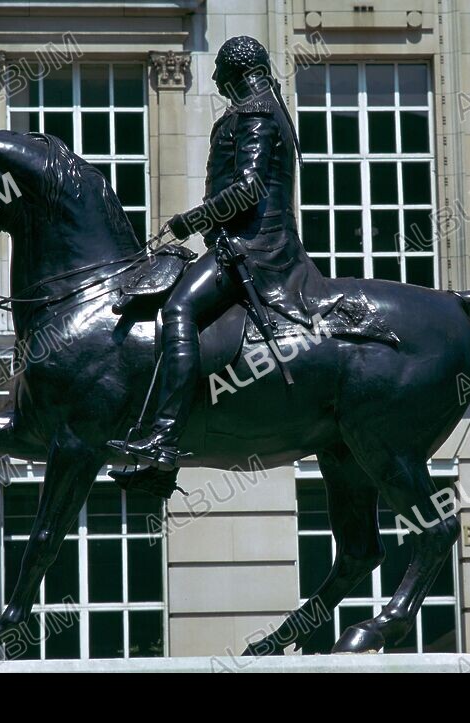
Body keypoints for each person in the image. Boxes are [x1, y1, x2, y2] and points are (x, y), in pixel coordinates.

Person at [108, 35, 340, 471]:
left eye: (220, 72)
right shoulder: (269, 110)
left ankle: (163, 433)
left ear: (238, 72)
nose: (215, 80)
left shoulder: (255, 113)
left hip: (254, 250)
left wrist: (191, 221)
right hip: (250, 245)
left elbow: (249, 188)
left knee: (178, 309)